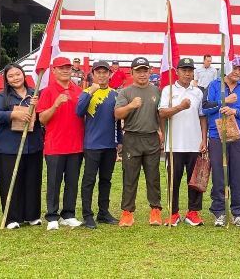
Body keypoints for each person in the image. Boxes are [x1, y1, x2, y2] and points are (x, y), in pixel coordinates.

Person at [0, 63, 44, 230]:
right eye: (11, 76)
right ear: (6, 80)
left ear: (23, 74)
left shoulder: (34, 94)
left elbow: (44, 114)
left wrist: (38, 104)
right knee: (10, 181)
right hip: (8, 147)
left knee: (32, 180)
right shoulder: (2, 96)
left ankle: (32, 215)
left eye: (18, 74)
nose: (15, 78)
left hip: (33, 145)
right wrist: (13, 114)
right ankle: (12, 217)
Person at [202, 54, 240, 227]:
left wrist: (235, 112)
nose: (238, 72)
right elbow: (206, 108)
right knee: (219, 174)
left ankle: (239, 213)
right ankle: (219, 212)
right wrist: (224, 101)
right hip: (217, 136)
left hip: (239, 136)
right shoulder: (214, 85)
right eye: (235, 68)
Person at [37, 57, 85, 231]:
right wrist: (55, 105)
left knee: (72, 182)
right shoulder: (48, 91)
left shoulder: (79, 91)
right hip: (55, 145)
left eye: (68, 68)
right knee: (54, 182)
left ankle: (69, 214)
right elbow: (42, 119)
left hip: (76, 144)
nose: (65, 70)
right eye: (61, 68)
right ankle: (52, 215)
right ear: (54, 70)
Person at [158, 57, 207, 227]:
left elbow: (202, 117)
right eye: (184, 70)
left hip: (194, 143)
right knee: (174, 180)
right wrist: (180, 107)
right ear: (177, 71)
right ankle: (173, 213)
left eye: (190, 70)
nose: (187, 73)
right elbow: (162, 113)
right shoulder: (168, 90)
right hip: (175, 144)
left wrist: (204, 139)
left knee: (195, 180)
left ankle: (193, 212)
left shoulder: (198, 92)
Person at [115, 57, 163, 227]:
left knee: (153, 176)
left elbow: (160, 114)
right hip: (132, 137)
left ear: (150, 71)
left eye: (145, 70)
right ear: (132, 72)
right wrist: (130, 106)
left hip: (151, 137)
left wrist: (161, 132)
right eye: (138, 71)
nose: (142, 74)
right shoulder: (125, 92)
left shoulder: (157, 91)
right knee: (130, 176)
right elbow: (118, 114)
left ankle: (155, 210)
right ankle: (127, 212)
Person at [76, 60, 123, 229]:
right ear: (93, 75)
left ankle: (103, 212)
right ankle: (87, 215)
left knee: (106, 180)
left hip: (110, 144)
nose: (102, 75)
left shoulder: (115, 94)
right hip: (91, 144)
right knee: (89, 180)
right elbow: (78, 112)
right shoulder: (87, 92)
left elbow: (117, 120)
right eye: (98, 72)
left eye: (105, 72)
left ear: (110, 75)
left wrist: (120, 141)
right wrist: (90, 92)